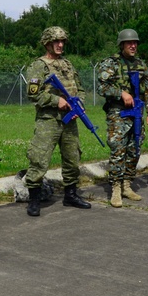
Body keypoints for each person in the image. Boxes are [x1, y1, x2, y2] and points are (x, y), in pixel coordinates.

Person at [23, 26, 92, 216]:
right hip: (49, 120)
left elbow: (80, 89)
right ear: (47, 43)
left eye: (62, 41)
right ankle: (34, 199)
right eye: (56, 41)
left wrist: (80, 105)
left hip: (70, 120)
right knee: (39, 159)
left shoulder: (68, 65)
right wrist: (56, 101)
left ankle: (71, 194)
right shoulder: (39, 65)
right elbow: (32, 94)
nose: (60, 45)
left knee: (72, 158)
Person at [97, 28, 148, 207]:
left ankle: (127, 185)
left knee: (134, 149)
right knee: (118, 150)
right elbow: (102, 88)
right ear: (122, 44)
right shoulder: (110, 64)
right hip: (118, 113)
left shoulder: (141, 65)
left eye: (135, 43)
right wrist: (121, 93)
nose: (133, 45)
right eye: (129, 43)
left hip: (137, 112)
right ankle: (115, 188)